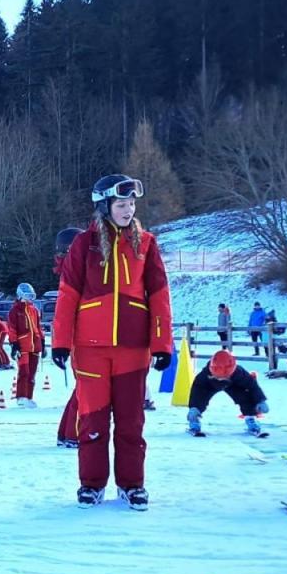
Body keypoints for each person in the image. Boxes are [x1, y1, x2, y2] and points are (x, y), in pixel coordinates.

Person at [51, 174, 173, 511]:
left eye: (131, 204)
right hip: (90, 349)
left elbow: (160, 296)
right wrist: (60, 342)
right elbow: (68, 294)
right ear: (105, 206)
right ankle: (91, 484)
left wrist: (162, 344)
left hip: (133, 349)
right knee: (92, 421)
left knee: (131, 421)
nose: (128, 210)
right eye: (121, 204)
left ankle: (132, 484)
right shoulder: (83, 245)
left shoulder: (146, 243)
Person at [185, 350, 269, 437]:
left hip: (233, 385)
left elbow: (252, 386)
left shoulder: (239, 373)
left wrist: (260, 400)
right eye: (218, 377)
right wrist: (194, 407)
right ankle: (194, 422)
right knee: (199, 400)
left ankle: (251, 418)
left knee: (245, 396)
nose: (221, 379)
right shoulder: (203, 376)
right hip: (209, 386)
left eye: (225, 377)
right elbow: (197, 391)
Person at [54, 227, 84, 448]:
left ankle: (66, 433)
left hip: (79, 336)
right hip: (81, 338)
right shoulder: (75, 273)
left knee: (82, 387)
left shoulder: (75, 270)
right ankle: (73, 434)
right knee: (86, 387)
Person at [8, 283, 45, 408]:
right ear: (21, 296)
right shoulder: (15, 311)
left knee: (32, 372)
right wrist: (14, 344)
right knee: (24, 371)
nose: (30, 298)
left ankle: (29, 396)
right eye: (27, 295)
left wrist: (43, 342)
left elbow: (38, 327)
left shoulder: (34, 310)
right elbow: (12, 329)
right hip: (22, 346)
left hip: (35, 344)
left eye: (31, 295)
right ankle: (21, 396)